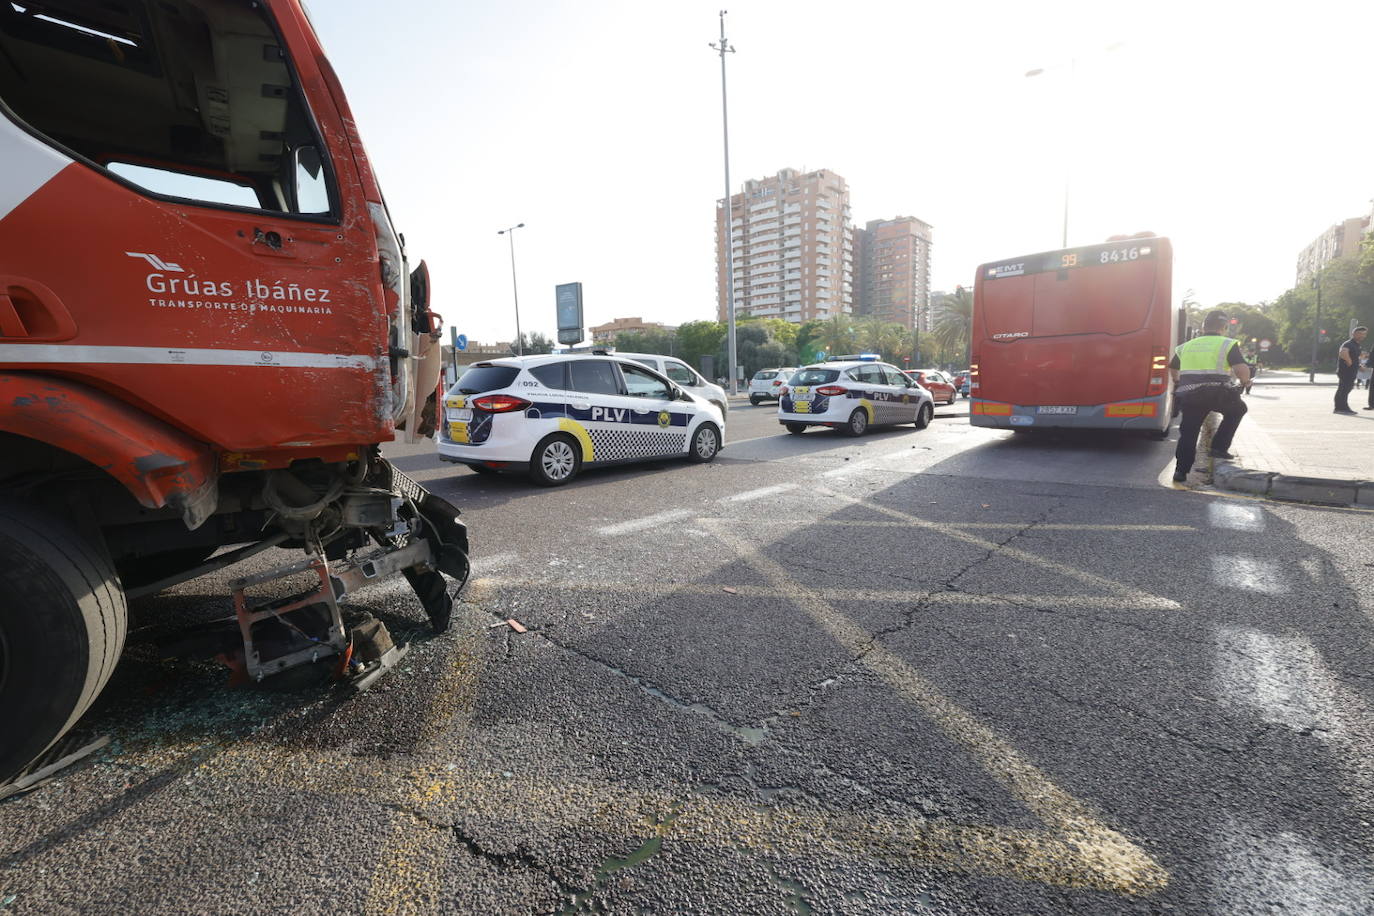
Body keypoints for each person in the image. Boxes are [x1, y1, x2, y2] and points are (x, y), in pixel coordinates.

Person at [1170, 310, 1250, 483]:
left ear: (1203, 326)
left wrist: (1177, 382)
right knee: (1238, 409)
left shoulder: (1186, 346)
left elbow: (1173, 367)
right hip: (1218, 394)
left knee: (1189, 432)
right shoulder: (1227, 344)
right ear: (1224, 327)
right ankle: (1219, 448)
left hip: (1191, 395)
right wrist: (1245, 382)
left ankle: (1180, 471)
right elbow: (1240, 368)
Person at [1334, 326, 1366, 414]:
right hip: (1345, 371)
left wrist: (1359, 366)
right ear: (1354, 334)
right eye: (1360, 333)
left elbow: (1355, 357)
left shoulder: (1356, 344)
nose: (1362, 336)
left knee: (1345, 389)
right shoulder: (1348, 343)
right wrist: (1349, 362)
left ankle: (1341, 407)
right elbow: (1343, 352)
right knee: (1344, 389)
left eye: (1364, 334)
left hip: (1351, 371)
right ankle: (1341, 408)